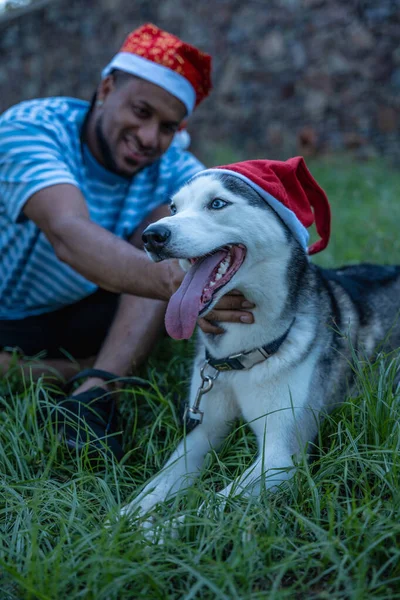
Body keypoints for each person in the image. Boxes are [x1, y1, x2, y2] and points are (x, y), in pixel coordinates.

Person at [0, 23, 254, 460]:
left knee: (175, 217)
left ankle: (95, 393)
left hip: (76, 307)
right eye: (140, 112)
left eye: (168, 126)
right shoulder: (33, 128)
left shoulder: (175, 167)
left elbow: (229, 228)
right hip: (8, 305)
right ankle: (66, 369)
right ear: (106, 88)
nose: (150, 138)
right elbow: (67, 232)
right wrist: (176, 285)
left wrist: (212, 287)